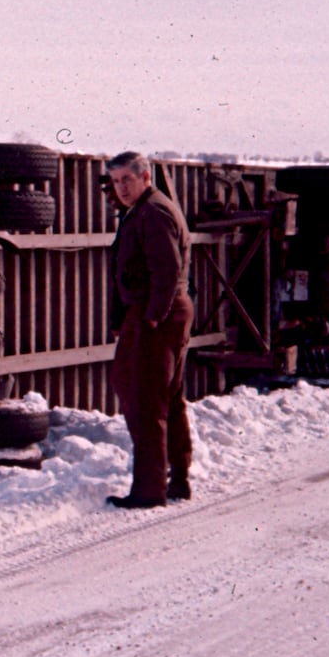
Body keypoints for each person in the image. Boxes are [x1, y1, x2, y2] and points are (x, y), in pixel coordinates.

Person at [105, 152, 194, 509]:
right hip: (158, 312)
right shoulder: (144, 209)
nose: (121, 188)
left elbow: (166, 269)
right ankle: (178, 480)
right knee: (167, 399)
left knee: (144, 402)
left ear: (145, 177)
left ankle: (149, 490)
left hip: (157, 314)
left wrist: (153, 316)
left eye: (127, 179)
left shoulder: (153, 211)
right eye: (115, 181)